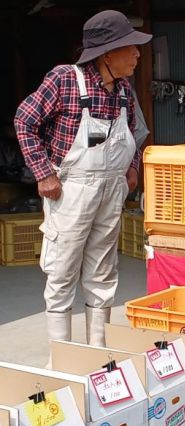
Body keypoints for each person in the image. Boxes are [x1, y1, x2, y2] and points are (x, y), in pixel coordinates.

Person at [14, 10, 152, 350]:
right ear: (107, 54)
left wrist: (132, 167)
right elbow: (24, 120)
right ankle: (62, 358)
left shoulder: (123, 90)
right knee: (62, 273)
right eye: (130, 47)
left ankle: (96, 355)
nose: (137, 54)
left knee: (103, 271)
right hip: (71, 190)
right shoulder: (65, 80)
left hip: (110, 190)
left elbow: (135, 132)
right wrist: (43, 173)